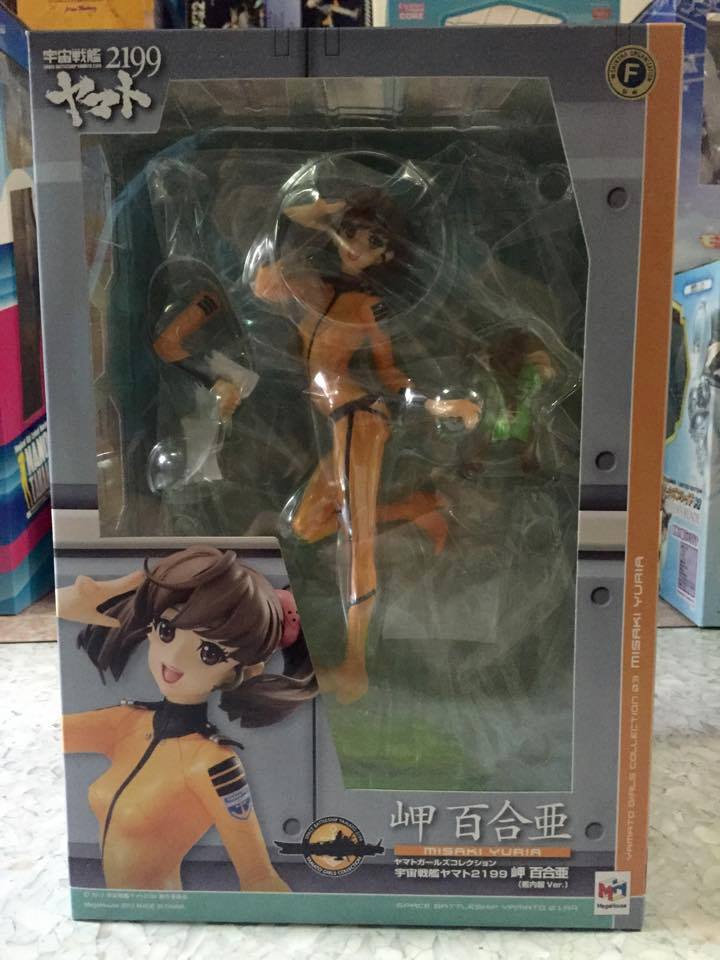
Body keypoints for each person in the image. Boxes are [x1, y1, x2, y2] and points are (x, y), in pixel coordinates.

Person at [251, 188, 481, 702]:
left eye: (375, 242)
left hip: (359, 416)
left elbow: (393, 376)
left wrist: (437, 405)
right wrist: (311, 219)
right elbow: (262, 283)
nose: (359, 246)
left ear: (386, 256)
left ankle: (355, 666)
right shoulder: (310, 289)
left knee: (356, 539)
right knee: (307, 526)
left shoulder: (369, 306)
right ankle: (417, 508)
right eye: (353, 233)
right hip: (333, 418)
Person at [59, 546, 316, 891]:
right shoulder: (126, 723)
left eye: (210, 652)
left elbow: (259, 876)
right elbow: (46, 736)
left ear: (237, 672)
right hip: (111, 909)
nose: (175, 657)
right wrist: (74, 601)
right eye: (167, 629)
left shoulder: (214, 764)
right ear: (151, 627)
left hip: (165, 915)